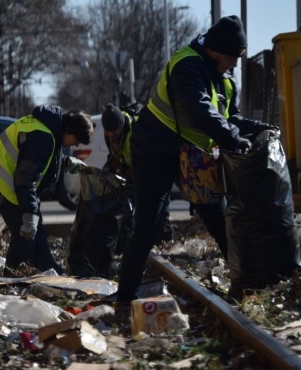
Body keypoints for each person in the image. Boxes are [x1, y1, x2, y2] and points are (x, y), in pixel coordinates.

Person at [115, 15, 275, 306]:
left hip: (192, 154)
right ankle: (124, 297)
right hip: (154, 148)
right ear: (213, 50)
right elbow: (201, 110)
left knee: (218, 216)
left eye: (238, 58)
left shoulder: (224, 74)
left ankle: (244, 285)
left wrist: (255, 127)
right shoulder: (185, 65)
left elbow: (229, 116)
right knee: (148, 224)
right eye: (231, 57)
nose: (235, 64)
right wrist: (232, 138)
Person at [0, 106, 94, 274]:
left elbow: (42, 159)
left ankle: (49, 270)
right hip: (0, 181)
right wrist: (29, 215)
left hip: (9, 180)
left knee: (37, 230)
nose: (76, 144)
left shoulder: (50, 129)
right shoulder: (42, 136)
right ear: (69, 130)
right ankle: (12, 276)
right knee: (24, 232)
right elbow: (25, 179)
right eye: (77, 139)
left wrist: (64, 162)